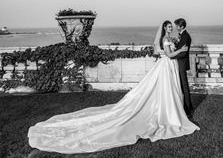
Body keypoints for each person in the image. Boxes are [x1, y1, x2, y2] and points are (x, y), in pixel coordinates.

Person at [28, 21, 199, 155]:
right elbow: (168, 54)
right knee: (163, 90)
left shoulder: (170, 38)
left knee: (168, 90)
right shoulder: (166, 39)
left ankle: (171, 110)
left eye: (171, 27)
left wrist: (178, 47)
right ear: (164, 28)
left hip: (168, 66)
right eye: (168, 26)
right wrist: (181, 49)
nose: (170, 28)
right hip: (167, 64)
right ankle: (167, 113)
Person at [170, 18, 193, 118]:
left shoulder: (186, 37)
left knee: (184, 86)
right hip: (179, 63)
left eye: (177, 26)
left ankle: (188, 109)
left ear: (182, 26)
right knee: (180, 86)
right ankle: (183, 106)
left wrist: (171, 56)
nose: (175, 27)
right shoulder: (181, 36)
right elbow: (180, 49)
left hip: (182, 64)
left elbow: (183, 53)